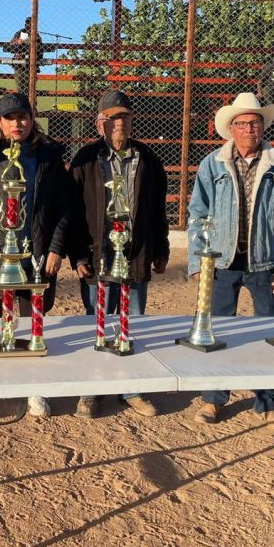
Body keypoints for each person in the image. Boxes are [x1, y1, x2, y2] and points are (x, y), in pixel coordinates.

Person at [187, 91, 274, 431]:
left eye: (254, 123)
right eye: (242, 124)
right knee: (216, 332)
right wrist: (198, 262)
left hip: (267, 264)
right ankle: (213, 398)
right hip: (222, 263)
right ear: (231, 128)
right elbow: (198, 215)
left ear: (262, 127)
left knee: (270, 333)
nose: (249, 129)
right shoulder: (212, 165)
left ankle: (268, 403)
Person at [0, 79, 71, 419]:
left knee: (34, 320)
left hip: (34, 250)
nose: (17, 123)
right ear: (0, 123)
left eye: (22, 116)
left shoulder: (49, 155)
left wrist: (56, 248)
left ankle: (34, 387)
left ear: (31, 119)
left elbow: (63, 206)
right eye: (9, 118)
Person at [69, 90, 169, 419]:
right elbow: (73, 212)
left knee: (132, 322)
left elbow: (157, 210)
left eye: (124, 116)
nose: (119, 122)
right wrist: (78, 256)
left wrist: (161, 248)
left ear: (131, 119)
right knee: (97, 323)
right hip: (98, 255)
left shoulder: (148, 159)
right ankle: (92, 389)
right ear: (100, 123)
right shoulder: (85, 159)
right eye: (112, 117)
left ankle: (131, 388)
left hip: (136, 253)